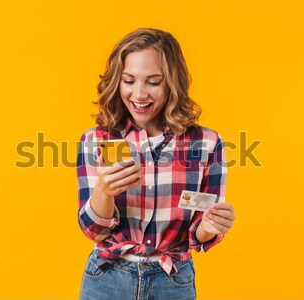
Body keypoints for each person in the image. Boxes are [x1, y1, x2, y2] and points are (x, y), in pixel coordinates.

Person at [76, 27, 235, 300]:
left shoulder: (206, 142)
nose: (139, 94)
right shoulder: (96, 140)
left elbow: (200, 232)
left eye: (153, 82)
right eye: (128, 80)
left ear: (173, 82)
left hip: (172, 280)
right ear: (117, 82)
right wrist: (105, 190)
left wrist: (211, 225)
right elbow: (93, 230)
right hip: (107, 279)